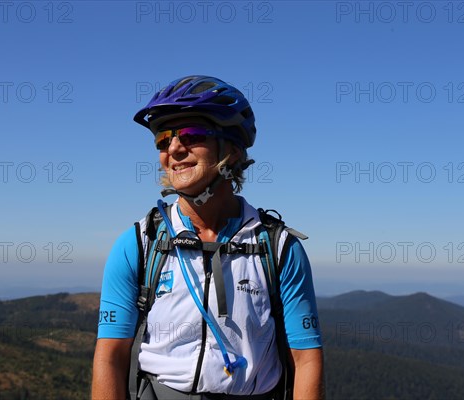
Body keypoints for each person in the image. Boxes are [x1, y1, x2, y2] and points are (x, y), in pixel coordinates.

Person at [92, 75, 324, 400]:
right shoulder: (139, 244)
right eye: (163, 140)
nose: (173, 148)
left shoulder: (279, 249)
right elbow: (110, 356)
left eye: (191, 134)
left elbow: (306, 359)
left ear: (231, 149)